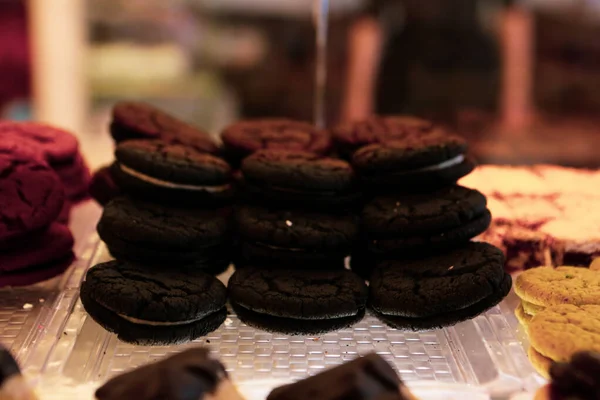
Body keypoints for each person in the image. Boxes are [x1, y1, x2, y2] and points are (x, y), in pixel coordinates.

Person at [343, 0, 515, 122]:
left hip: (474, 97)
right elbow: (369, 26)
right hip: (406, 98)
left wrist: (514, 113)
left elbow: (513, 19)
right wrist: (356, 113)